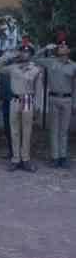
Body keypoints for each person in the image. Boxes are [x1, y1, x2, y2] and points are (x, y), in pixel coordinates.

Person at [0, 45, 43, 172]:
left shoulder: (36, 70)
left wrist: (38, 106)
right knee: (14, 131)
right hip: (14, 100)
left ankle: (25, 159)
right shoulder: (13, 68)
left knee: (27, 132)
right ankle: (15, 159)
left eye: (27, 52)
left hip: (28, 100)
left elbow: (38, 90)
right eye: (22, 52)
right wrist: (8, 56)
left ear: (31, 55)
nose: (24, 54)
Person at [34, 41, 76, 169]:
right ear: (57, 52)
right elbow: (34, 58)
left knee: (64, 130)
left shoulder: (74, 66)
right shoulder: (50, 62)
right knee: (54, 129)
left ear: (68, 52)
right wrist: (44, 47)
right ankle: (55, 157)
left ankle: (62, 157)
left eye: (65, 49)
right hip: (53, 98)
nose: (63, 51)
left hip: (67, 100)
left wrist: (75, 102)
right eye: (60, 49)